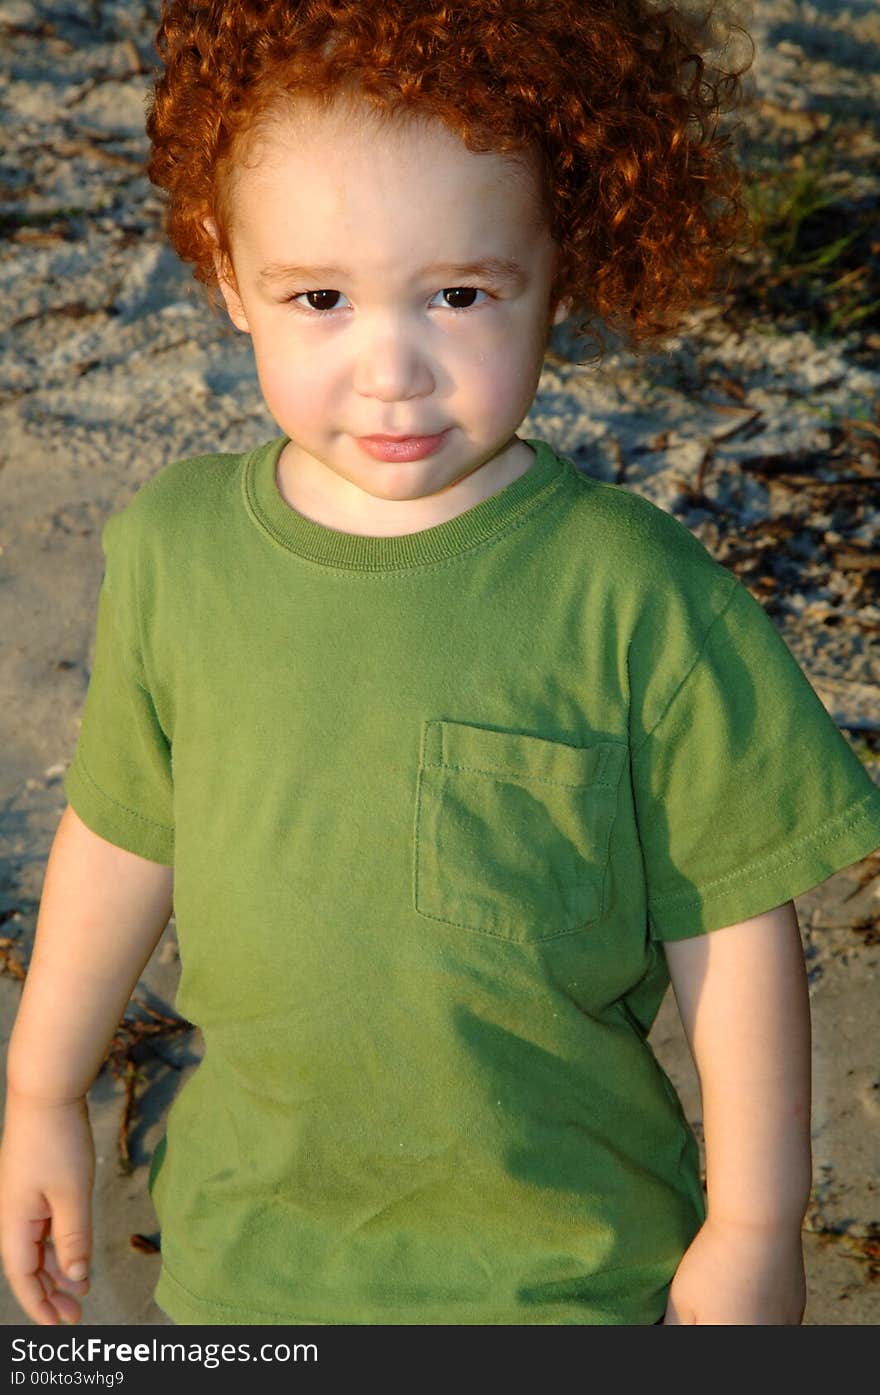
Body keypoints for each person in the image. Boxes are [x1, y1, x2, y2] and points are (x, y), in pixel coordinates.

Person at [2, 0, 879, 1329]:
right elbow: (124, 831)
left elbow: (733, 928)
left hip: (564, 1271)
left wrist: (755, 1223)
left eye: (459, 294)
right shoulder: (178, 550)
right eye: (321, 298)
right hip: (251, 1261)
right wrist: (42, 1092)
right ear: (227, 272)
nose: (393, 369)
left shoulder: (637, 597)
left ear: (554, 268)